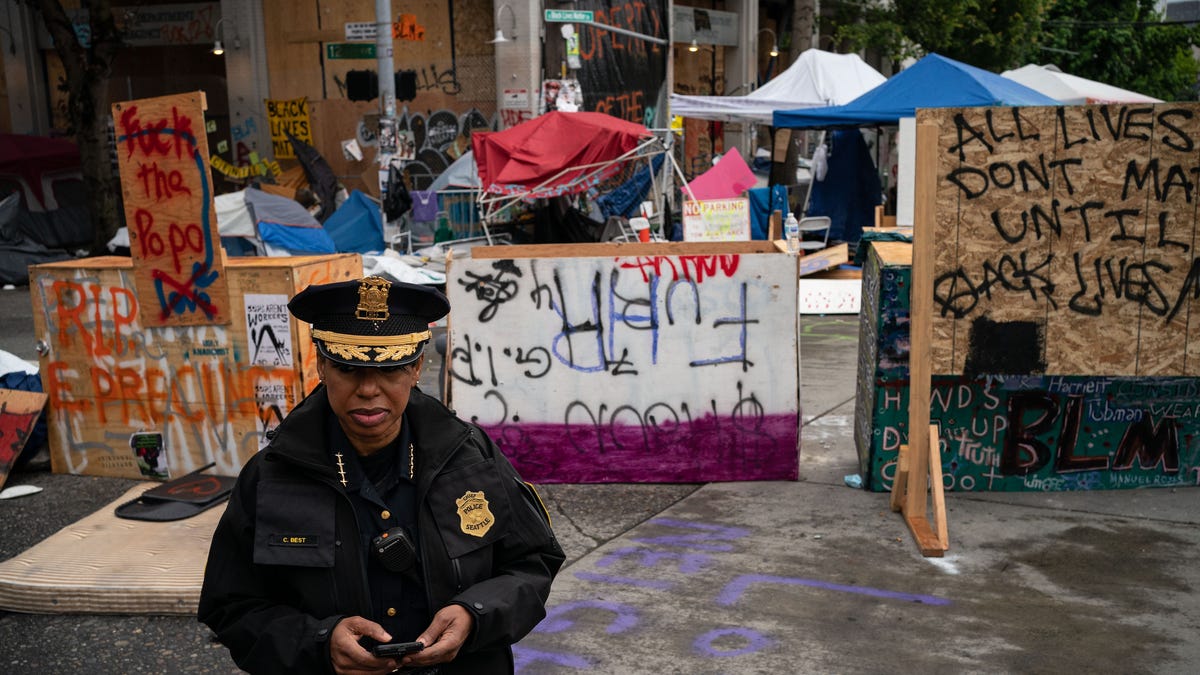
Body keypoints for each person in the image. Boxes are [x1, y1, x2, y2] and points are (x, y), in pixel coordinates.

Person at [199, 276, 564, 674]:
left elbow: (533, 562)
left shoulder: (470, 456)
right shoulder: (270, 475)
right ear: (321, 365)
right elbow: (230, 606)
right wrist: (319, 642)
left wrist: (475, 614)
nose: (369, 389)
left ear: (416, 368)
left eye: (391, 369)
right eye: (347, 368)